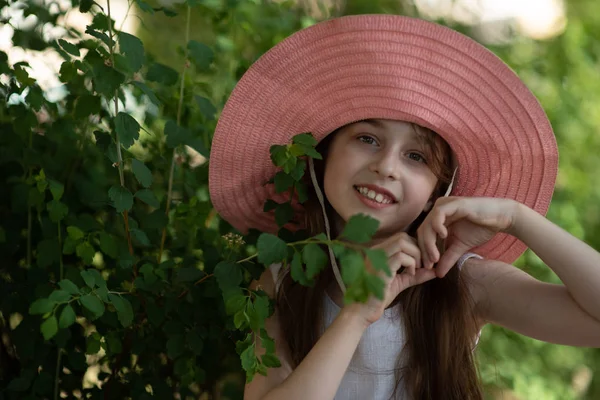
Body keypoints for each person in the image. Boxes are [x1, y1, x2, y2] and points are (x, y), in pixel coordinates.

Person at [208, 14, 600, 400]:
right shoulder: (281, 281)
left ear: (437, 191)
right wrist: (356, 314)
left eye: (416, 156)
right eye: (367, 138)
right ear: (322, 156)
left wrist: (517, 217)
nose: (386, 166)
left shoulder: (459, 283)